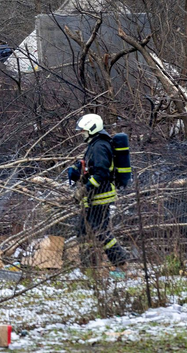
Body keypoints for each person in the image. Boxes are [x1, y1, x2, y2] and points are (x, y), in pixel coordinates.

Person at [68, 113, 128, 269]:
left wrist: (85, 189)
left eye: (83, 131)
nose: (82, 134)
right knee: (82, 229)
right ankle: (88, 266)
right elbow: (91, 168)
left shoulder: (100, 146)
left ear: (91, 129)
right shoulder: (94, 145)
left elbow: (101, 173)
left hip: (100, 196)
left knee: (99, 230)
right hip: (93, 196)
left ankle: (120, 260)